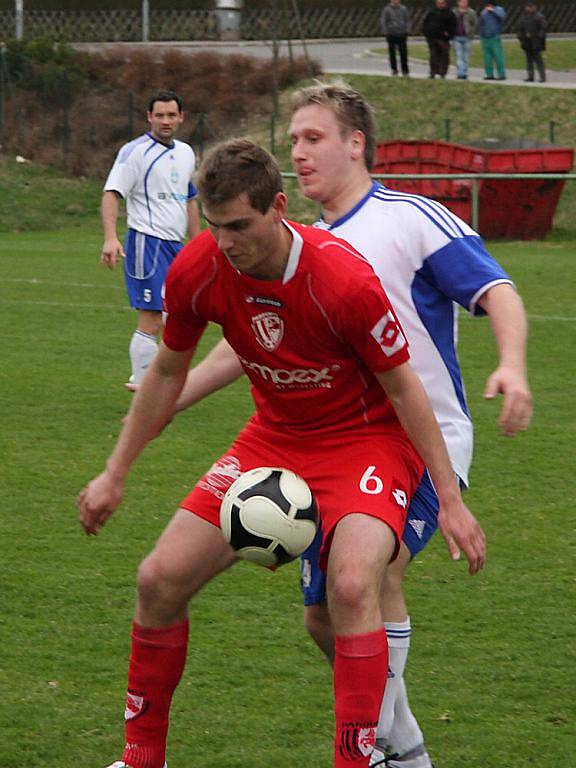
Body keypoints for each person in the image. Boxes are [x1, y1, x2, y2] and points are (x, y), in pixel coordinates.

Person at [78, 138, 486, 768]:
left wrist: (451, 501)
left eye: (240, 225)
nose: (227, 242)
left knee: (352, 587)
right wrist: (115, 472)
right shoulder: (199, 267)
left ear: (278, 205)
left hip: (367, 441)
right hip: (274, 439)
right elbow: (165, 373)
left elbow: (406, 389)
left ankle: (359, 759)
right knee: (157, 580)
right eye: (215, 228)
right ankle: (139, 759)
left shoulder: (343, 277)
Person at [173, 84, 532, 768]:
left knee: (370, 576)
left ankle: (373, 752)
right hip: (336, 443)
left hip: (422, 443)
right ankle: (400, 743)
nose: (297, 152)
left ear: (355, 144)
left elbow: (497, 290)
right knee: (326, 619)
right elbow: (239, 348)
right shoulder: (295, 244)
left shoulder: (409, 218)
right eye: (294, 140)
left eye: (312, 138)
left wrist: (511, 364)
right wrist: (169, 396)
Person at [100, 90, 201, 391]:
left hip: (176, 247)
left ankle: (162, 381)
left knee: (177, 317)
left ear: (181, 117)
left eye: (172, 115)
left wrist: (197, 244)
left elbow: (190, 199)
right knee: (152, 317)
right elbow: (111, 193)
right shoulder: (134, 152)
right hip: (147, 242)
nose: (166, 121)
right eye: (160, 115)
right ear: (149, 117)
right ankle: (143, 383)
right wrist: (110, 237)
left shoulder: (185, 152)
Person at [422, 0, 457, 79]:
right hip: (432, 37)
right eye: (439, 3)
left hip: (443, 39)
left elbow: (453, 25)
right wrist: (426, 33)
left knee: (444, 55)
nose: (440, 5)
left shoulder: (449, 14)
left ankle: (442, 73)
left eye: (442, 3)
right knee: (433, 55)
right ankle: (433, 72)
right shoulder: (431, 13)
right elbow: (425, 23)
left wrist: (449, 34)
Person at [517, 1, 547, 83]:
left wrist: (538, 37)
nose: (529, 8)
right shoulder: (524, 17)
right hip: (527, 42)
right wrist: (520, 37)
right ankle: (530, 76)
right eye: (528, 7)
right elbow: (520, 28)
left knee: (538, 60)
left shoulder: (539, 17)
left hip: (536, 42)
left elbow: (543, 28)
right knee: (529, 60)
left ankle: (542, 77)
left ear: (535, 7)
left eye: (531, 7)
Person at [380, 0, 411, 77]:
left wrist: (407, 30)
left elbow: (407, 20)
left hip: (402, 33)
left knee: (403, 53)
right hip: (391, 33)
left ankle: (405, 70)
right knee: (392, 53)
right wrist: (386, 32)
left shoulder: (403, 9)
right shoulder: (387, 9)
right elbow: (384, 21)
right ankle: (394, 69)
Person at [479, 1, 507, 80]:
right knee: (487, 58)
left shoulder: (499, 9)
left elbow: (502, 16)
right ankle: (489, 74)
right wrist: (481, 35)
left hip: (495, 37)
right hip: (485, 38)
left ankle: (501, 74)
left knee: (498, 56)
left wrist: (493, 10)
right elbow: (481, 24)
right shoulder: (483, 12)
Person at [452, 0, 478, 79]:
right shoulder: (454, 12)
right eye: (461, 2)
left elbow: (475, 23)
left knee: (466, 56)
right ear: (458, 3)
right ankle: (461, 73)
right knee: (459, 56)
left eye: (465, 1)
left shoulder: (471, 12)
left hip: (467, 37)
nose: (463, 3)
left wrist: (471, 32)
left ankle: (464, 71)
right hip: (456, 37)